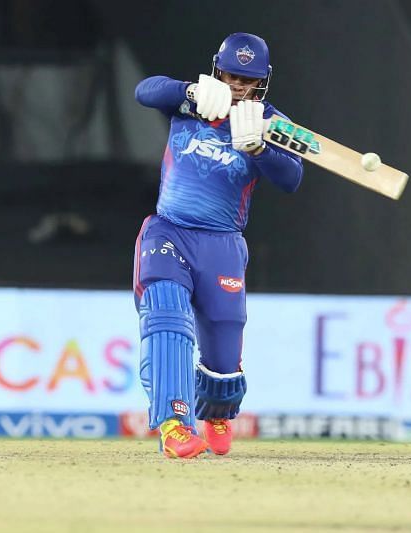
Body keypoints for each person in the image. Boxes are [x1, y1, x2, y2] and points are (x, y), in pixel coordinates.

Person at [132, 32, 303, 458]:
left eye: (247, 80)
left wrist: (261, 147)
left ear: (261, 82)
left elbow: (292, 178)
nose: (237, 86)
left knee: (224, 345)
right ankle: (174, 425)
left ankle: (218, 411)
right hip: (169, 231)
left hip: (222, 243)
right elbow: (144, 90)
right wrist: (188, 91)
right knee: (167, 319)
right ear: (216, 68)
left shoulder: (269, 119)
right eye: (230, 75)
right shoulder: (192, 100)